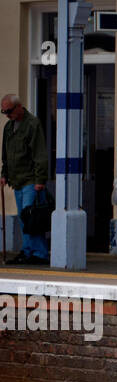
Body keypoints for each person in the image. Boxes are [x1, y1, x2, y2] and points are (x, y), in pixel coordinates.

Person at [1, 94, 49, 265]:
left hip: (30, 179)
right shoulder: (8, 127)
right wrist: (4, 173)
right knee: (24, 218)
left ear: (18, 107)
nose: (7, 115)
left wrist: (40, 180)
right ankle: (28, 251)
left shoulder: (32, 124)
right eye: (4, 112)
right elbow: (5, 154)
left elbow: (39, 154)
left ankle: (39, 253)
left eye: (9, 111)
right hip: (17, 180)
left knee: (31, 217)